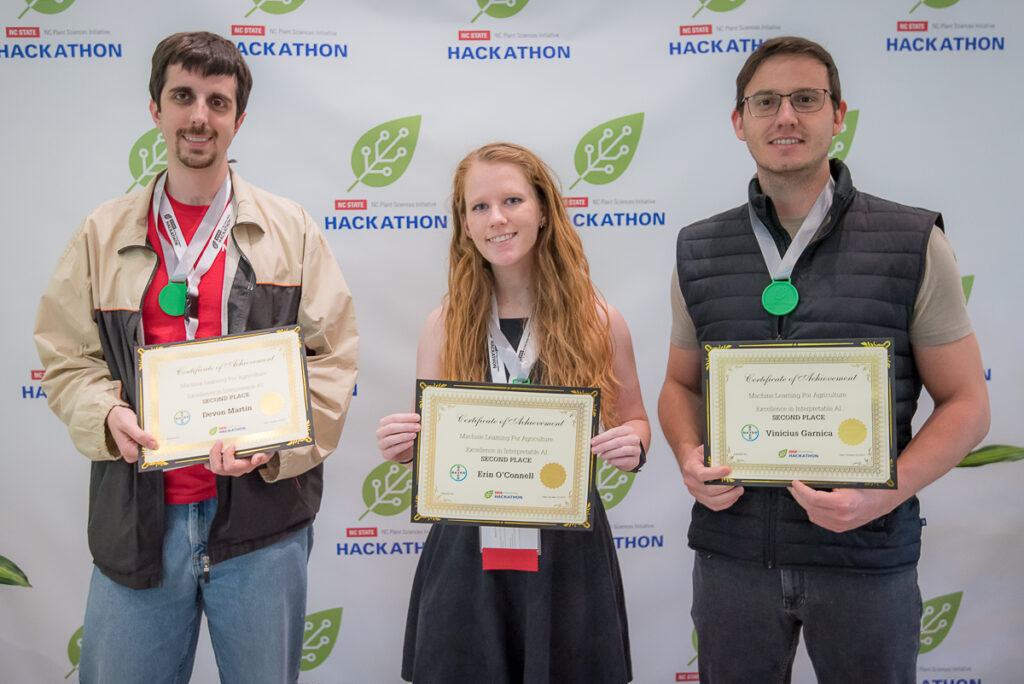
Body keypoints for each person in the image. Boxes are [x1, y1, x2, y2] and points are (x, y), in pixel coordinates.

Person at [658, 36, 990, 683]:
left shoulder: (914, 241)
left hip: (864, 561)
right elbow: (678, 385)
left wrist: (880, 493)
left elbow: (969, 406)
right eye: (767, 102)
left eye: (806, 99)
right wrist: (686, 456)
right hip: (733, 561)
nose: (787, 116)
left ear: (838, 116)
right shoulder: (697, 248)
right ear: (740, 122)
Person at [33, 31, 358, 684]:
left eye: (217, 100)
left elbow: (332, 359)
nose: (199, 116)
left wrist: (278, 443)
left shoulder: (290, 230)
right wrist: (105, 417)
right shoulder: (103, 233)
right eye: (183, 96)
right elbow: (67, 358)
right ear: (155, 108)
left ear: (239, 119)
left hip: (263, 527)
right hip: (139, 524)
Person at [376, 142, 650, 683]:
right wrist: (406, 446)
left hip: (568, 552)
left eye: (512, 201)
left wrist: (633, 445)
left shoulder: (600, 320)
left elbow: (635, 419)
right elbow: (430, 445)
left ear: (544, 210)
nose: (496, 219)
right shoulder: (444, 324)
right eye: (479, 207)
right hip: (467, 553)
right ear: (464, 224)